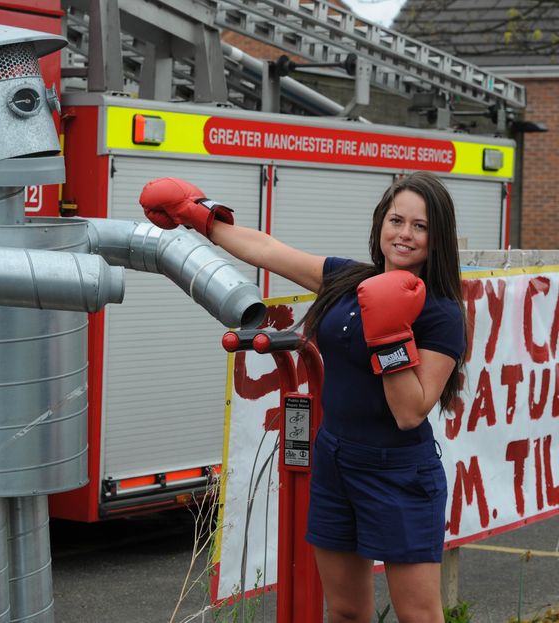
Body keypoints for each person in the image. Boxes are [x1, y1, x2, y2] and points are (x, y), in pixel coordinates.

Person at [139, 172, 467, 623]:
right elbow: (269, 250)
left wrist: (390, 332)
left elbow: (410, 412)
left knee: (419, 617)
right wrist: (200, 217)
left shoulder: (443, 312)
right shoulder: (347, 278)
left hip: (399, 474)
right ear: (380, 224)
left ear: (437, 237)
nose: (405, 234)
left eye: (420, 226)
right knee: (347, 611)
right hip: (336, 461)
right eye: (397, 220)